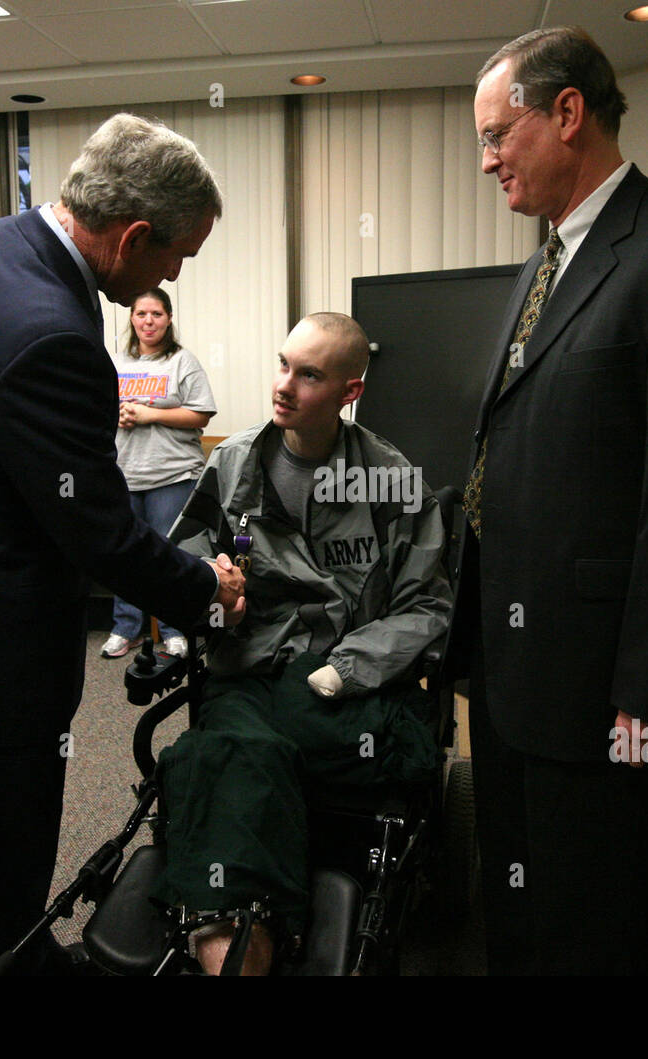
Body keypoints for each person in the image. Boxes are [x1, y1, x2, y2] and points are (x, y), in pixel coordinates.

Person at [0, 114, 245, 976]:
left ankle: (13, 945)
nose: (175, 273)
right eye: (177, 254)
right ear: (133, 235)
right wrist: (206, 591)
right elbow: (102, 533)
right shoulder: (52, 338)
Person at [447, 27, 648, 974]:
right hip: (513, 672)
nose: (486, 162)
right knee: (515, 918)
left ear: (567, 113)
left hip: (609, 695)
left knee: (584, 933)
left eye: (496, 135)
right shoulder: (544, 262)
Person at [154, 312, 452, 975]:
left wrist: (349, 666)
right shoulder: (233, 465)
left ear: (350, 392)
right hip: (249, 669)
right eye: (283, 364)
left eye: (309, 374)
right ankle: (240, 946)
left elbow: (427, 602)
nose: (284, 385)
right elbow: (182, 560)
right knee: (234, 749)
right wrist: (211, 588)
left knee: (231, 762)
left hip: (344, 685)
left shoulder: (391, 479)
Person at [102, 288, 216, 660]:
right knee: (125, 555)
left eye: (156, 314)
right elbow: (93, 410)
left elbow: (201, 414)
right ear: (131, 318)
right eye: (141, 314)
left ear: (168, 319)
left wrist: (151, 414)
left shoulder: (182, 362)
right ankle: (125, 627)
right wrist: (116, 415)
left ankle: (174, 628)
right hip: (125, 475)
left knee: (170, 553)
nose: (148, 321)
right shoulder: (115, 364)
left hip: (172, 474)